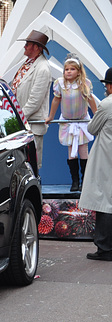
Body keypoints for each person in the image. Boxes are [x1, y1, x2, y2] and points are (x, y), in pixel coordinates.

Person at [45, 54, 97, 191]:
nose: (68, 72)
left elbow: (90, 99)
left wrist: (96, 114)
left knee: (83, 151)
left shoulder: (84, 84)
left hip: (82, 121)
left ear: (79, 71)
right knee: (71, 152)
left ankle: (85, 180)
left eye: (72, 69)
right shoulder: (60, 84)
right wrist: (51, 116)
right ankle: (75, 181)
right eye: (66, 69)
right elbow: (56, 100)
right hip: (68, 122)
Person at [79, 67, 112, 261]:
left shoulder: (106, 105)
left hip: (106, 156)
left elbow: (92, 128)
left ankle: (104, 247)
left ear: (109, 85)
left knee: (104, 201)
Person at [10, 30, 52, 168]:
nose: (25, 46)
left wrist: (17, 118)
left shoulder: (43, 68)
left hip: (31, 126)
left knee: (31, 166)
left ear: (36, 47)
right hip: (22, 125)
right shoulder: (27, 63)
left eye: (28, 44)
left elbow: (35, 101)